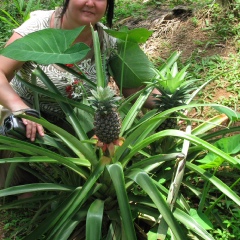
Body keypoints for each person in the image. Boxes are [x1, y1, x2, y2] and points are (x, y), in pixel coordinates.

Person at [0, 0, 158, 191]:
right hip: (28, 106)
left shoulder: (108, 40)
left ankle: (80, 177)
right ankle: (19, 184)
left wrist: (167, 100)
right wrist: (20, 108)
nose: (90, 3)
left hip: (73, 115)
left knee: (108, 136)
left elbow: (134, 90)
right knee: (15, 126)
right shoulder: (38, 28)